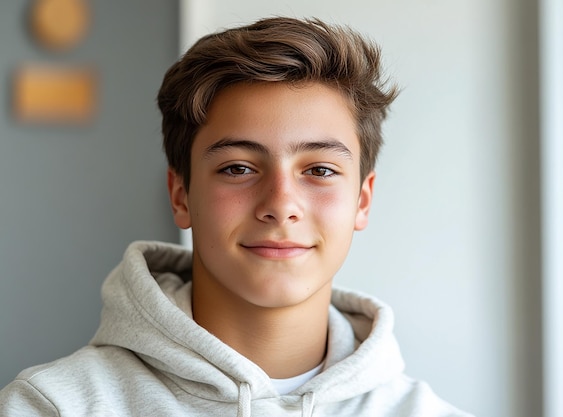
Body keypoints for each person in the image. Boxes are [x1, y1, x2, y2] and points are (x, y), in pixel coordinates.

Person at [0, 17, 473, 417]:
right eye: (239, 168)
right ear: (181, 194)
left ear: (362, 200)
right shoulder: (53, 406)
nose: (281, 203)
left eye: (321, 170)